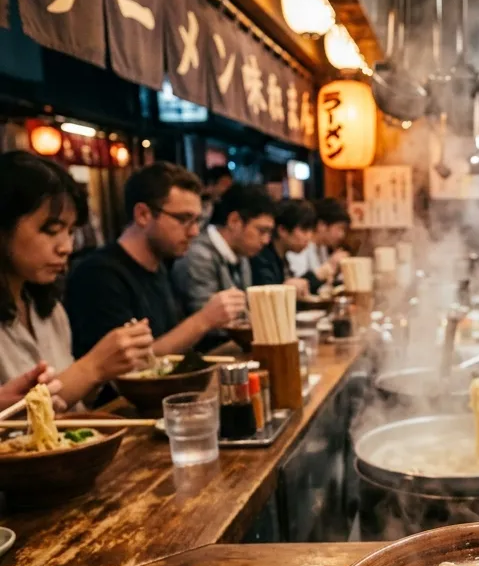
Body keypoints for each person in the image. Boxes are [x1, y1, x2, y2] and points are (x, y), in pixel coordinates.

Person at [0, 152, 153, 408]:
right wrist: (93, 366)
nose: (66, 247)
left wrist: (108, 369)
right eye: (51, 230)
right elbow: (20, 419)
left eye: (70, 232)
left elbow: (70, 404)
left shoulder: (49, 309)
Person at [66, 162, 247, 360]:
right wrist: (204, 320)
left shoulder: (159, 266)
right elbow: (126, 363)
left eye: (197, 220)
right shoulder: (98, 275)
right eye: (183, 219)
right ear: (143, 215)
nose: (194, 231)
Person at [172, 183, 275, 316]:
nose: (266, 240)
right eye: (261, 231)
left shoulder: (241, 253)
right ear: (234, 221)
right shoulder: (199, 255)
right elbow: (209, 319)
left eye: (269, 233)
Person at [250, 199, 316, 295]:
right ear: (282, 230)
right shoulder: (261, 258)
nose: (309, 237)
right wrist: (286, 287)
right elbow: (265, 295)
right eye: (304, 230)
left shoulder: (282, 258)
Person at [286, 198, 350, 289]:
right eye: (340, 228)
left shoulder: (322, 248)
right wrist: (331, 264)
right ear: (322, 225)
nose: (342, 235)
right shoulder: (300, 246)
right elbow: (299, 282)